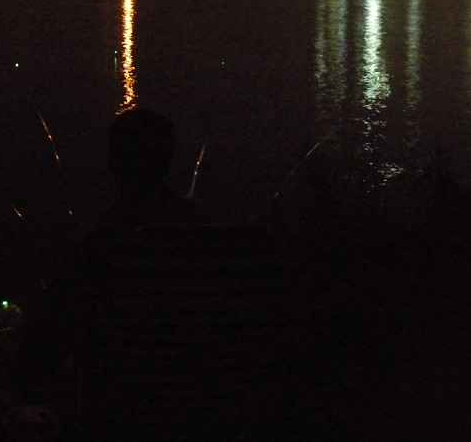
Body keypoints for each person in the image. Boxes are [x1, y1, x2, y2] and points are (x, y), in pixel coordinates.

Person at [16, 108, 283, 440]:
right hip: (207, 408)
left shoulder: (102, 242)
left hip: (122, 410)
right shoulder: (211, 236)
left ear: (114, 163)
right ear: (168, 159)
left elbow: (47, 337)